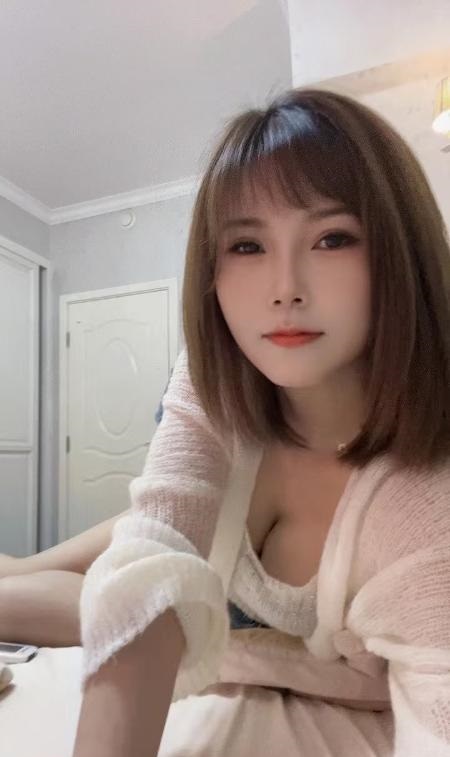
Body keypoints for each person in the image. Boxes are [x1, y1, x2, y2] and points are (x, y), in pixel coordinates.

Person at [1, 87, 450, 757]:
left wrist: (246, 657)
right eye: (246, 245)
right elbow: (152, 556)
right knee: (83, 567)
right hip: (204, 553)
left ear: (400, 252)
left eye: (332, 237)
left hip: (227, 606)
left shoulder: (423, 504)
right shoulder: (215, 375)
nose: (284, 288)